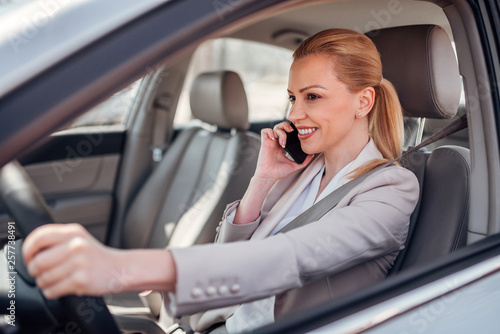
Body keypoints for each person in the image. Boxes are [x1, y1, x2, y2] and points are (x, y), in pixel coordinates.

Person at [22, 29, 419, 333]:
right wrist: (263, 180)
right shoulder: (304, 170)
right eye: (292, 97)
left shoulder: (391, 190)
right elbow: (231, 249)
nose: (295, 113)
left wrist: (121, 268)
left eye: (312, 97)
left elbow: (290, 257)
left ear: (363, 102)